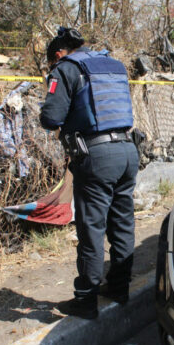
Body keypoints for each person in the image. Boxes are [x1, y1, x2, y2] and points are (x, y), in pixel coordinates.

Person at [40, 27, 139, 319]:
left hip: (97, 158)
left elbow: (51, 117)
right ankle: (119, 288)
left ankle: (85, 301)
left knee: (91, 230)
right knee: (122, 223)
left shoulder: (66, 68)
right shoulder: (113, 65)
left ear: (58, 54)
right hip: (128, 151)